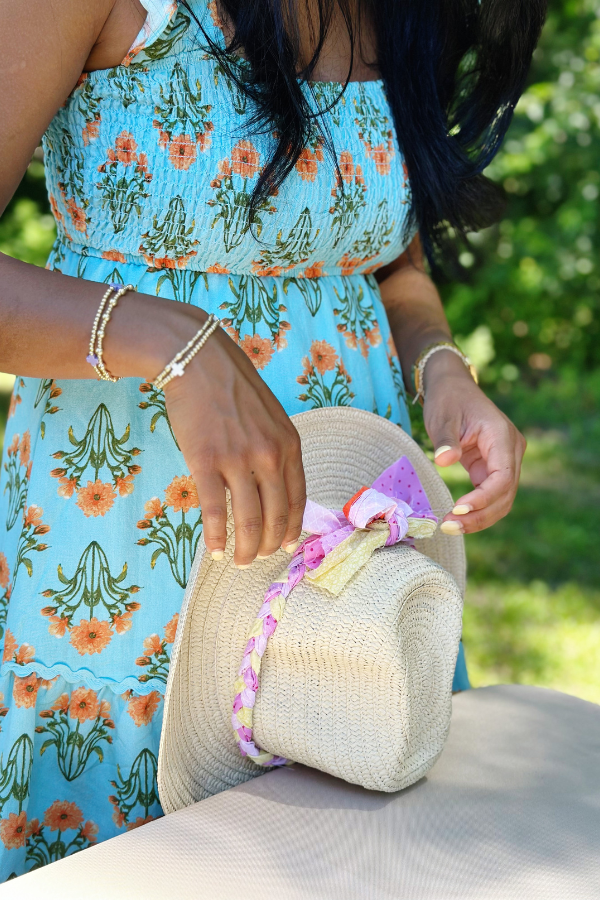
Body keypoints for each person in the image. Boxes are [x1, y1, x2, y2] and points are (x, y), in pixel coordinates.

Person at [0, 0, 541, 879]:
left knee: (359, 849)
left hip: (346, 546)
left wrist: (441, 367)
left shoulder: (404, 14)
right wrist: (170, 340)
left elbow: (389, 258)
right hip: (133, 564)